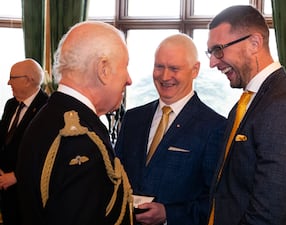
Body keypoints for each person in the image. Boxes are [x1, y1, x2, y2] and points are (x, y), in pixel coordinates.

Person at [16, 21, 134, 225]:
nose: (129, 79)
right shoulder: (80, 140)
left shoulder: (50, 115)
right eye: (125, 67)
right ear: (103, 69)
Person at [115, 33, 227, 225]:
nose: (165, 76)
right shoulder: (133, 118)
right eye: (159, 67)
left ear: (195, 70)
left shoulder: (214, 127)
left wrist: (169, 214)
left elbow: (217, 200)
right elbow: (115, 176)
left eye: (174, 68)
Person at [206, 5, 286, 225]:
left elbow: (269, 214)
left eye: (219, 50)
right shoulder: (245, 103)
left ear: (254, 43)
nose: (212, 63)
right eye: (210, 53)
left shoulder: (285, 106)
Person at [0, 58, 48, 225]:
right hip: (6, 191)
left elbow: (46, 152)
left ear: (28, 80)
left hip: (29, 192)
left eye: (12, 78)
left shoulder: (47, 108)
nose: (8, 82)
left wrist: (17, 176)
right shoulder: (10, 104)